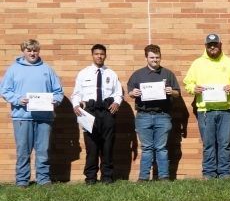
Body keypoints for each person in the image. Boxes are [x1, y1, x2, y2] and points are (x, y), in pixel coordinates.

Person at [1, 39, 64, 187]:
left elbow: (58, 92)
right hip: (22, 116)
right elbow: (4, 90)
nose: (32, 53)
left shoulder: (47, 69)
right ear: (23, 51)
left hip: (44, 117)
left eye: (35, 50)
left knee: (43, 150)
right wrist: (18, 99)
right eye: (29, 50)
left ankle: (43, 179)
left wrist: (54, 101)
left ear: (38, 51)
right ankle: (22, 180)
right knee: (23, 151)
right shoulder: (14, 69)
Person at [183, 33, 230, 179]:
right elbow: (188, 83)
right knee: (208, 144)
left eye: (215, 44)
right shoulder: (198, 63)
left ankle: (225, 172)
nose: (213, 47)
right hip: (205, 110)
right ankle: (209, 173)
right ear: (206, 46)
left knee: (225, 143)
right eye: (210, 45)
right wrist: (193, 89)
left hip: (226, 110)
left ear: (220, 45)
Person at [127, 44, 181, 181]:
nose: (155, 60)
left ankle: (163, 177)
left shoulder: (168, 74)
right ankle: (143, 178)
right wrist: (133, 93)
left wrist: (171, 92)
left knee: (161, 148)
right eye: (152, 57)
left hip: (163, 115)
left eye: (157, 57)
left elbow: (177, 93)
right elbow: (130, 92)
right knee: (146, 148)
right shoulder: (138, 74)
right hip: (143, 116)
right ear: (146, 58)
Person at [71, 44, 124, 184]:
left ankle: (107, 177)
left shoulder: (111, 74)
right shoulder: (84, 73)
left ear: (105, 55)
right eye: (96, 54)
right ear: (92, 55)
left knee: (107, 146)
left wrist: (117, 103)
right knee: (91, 147)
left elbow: (118, 93)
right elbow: (76, 93)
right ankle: (90, 178)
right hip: (89, 112)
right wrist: (76, 105)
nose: (99, 56)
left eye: (102, 54)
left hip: (107, 112)